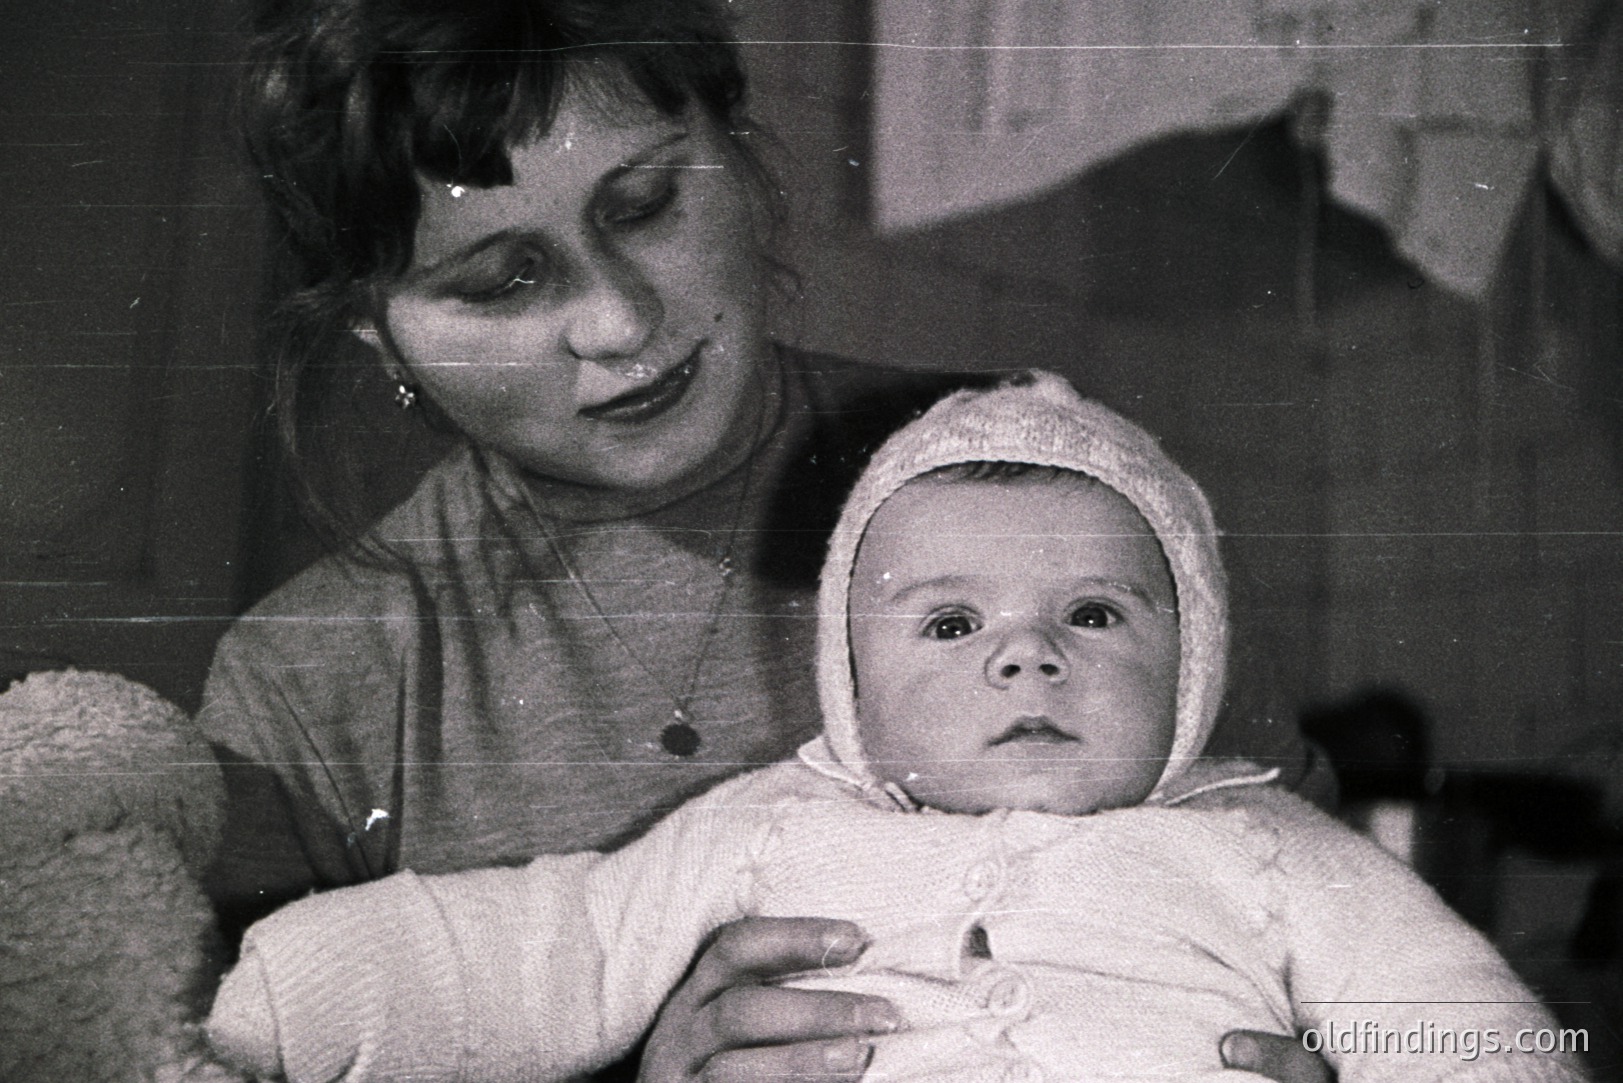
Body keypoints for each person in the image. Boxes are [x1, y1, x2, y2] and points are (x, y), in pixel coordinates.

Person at [201, 1, 1328, 1079]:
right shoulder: (312, 678)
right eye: (501, 282)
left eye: (644, 203)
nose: (621, 322)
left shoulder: (1048, 485)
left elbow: (1321, 914)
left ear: (737, 153)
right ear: (379, 334)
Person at [206, 374, 1584, 1083]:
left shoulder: (1264, 843)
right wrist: (280, 993)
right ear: (848, 675)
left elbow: (1458, 1022)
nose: (1026, 651)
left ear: (1195, 657)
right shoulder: (776, 822)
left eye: (1096, 613)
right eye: (947, 623)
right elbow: (549, 939)